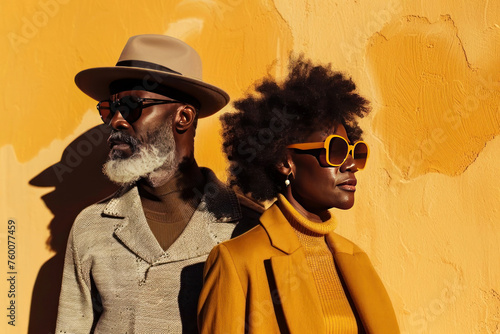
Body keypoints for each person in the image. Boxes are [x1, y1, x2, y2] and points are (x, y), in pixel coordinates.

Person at [55, 34, 262, 334]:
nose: (115, 121)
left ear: (184, 117)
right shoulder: (90, 226)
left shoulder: (247, 228)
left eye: (131, 106)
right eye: (109, 109)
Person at [198, 57, 399, 333]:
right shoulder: (236, 261)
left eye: (354, 152)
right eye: (336, 150)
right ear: (285, 161)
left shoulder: (355, 259)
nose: (350, 164)